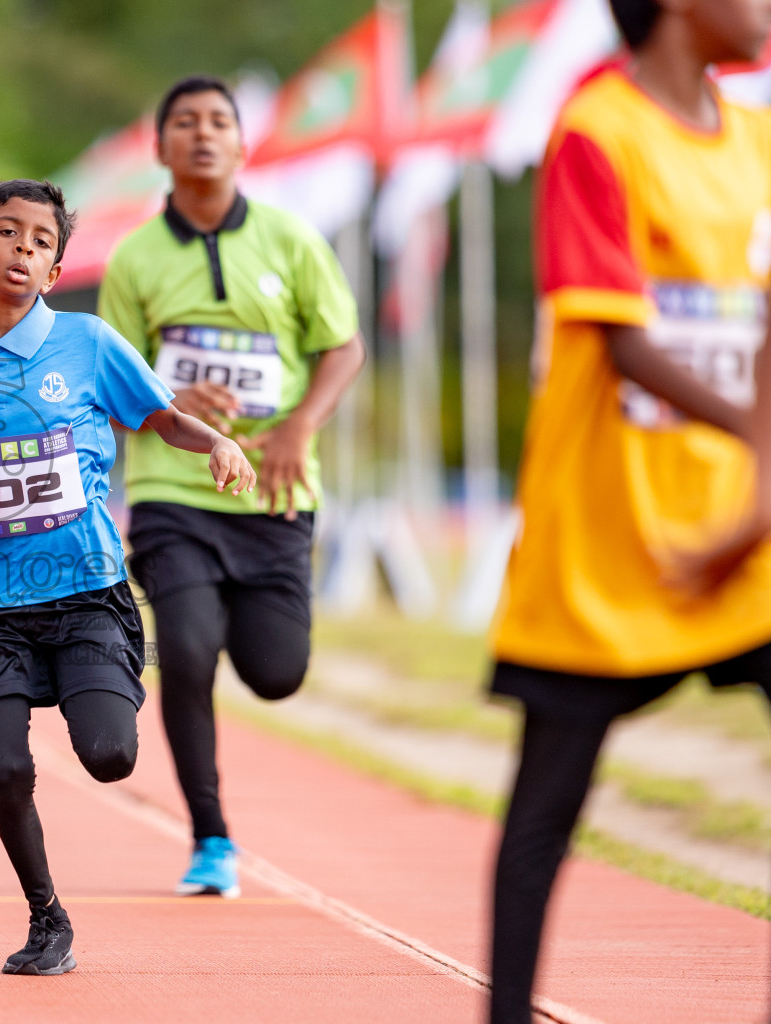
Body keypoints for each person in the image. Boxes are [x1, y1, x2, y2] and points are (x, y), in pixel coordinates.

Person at [0, 179, 256, 975]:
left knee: (111, 756)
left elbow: (160, 416)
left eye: (41, 241)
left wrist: (219, 442)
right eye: (6, 233)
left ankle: (88, 682)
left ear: (55, 267)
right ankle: (48, 919)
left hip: (86, 589)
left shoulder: (88, 344)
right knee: (6, 766)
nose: (22, 250)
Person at [486, 0, 771, 1018]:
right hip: (608, 535)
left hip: (739, 525)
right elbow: (620, 339)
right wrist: (757, 431)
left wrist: (759, 466)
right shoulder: (596, 133)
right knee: (546, 807)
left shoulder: (756, 138)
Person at [97, 75, 365, 897]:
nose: (203, 134)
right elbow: (114, 386)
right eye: (185, 122)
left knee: (276, 672)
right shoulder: (135, 258)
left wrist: (296, 429)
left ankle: (260, 647)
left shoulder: (291, 240)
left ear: (243, 144)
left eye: (219, 122)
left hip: (274, 494)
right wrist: (170, 404)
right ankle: (210, 838)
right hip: (174, 490)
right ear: (162, 148)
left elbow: (343, 347)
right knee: (182, 651)